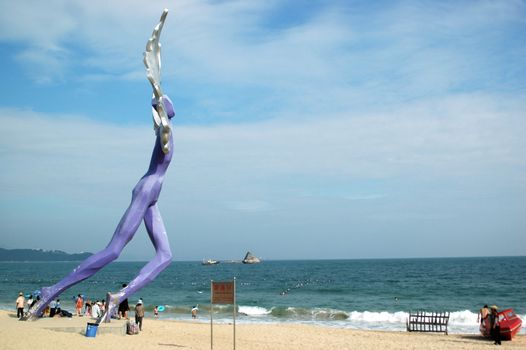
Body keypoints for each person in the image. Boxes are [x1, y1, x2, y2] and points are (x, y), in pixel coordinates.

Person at [25, 12, 175, 323]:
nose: (172, 106)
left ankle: (119, 295)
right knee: (113, 251)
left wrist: (158, 94)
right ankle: (51, 290)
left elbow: (161, 127)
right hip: (147, 190)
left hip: (152, 194)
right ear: (163, 112)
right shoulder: (166, 133)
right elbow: (162, 134)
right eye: (167, 104)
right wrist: (158, 104)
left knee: (166, 256)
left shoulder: (167, 131)